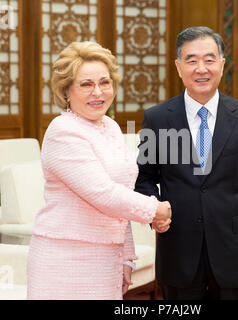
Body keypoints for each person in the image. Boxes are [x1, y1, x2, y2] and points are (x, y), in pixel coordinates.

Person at [135, 26, 238, 300]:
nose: (201, 68)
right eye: (191, 60)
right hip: (178, 252)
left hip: (234, 252)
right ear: (178, 67)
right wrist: (155, 212)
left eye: (209, 60)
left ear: (222, 65)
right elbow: (144, 179)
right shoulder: (158, 119)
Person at [27, 41, 171, 300]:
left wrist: (126, 256)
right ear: (66, 91)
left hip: (106, 260)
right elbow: (103, 194)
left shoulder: (111, 127)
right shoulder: (63, 131)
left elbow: (122, 193)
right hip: (65, 261)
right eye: (86, 84)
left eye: (105, 82)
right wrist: (155, 209)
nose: (98, 92)